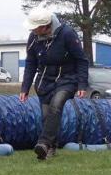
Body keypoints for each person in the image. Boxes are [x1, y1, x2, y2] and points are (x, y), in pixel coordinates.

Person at [20, 10, 89, 160]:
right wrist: (25, 87)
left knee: (56, 105)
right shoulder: (33, 37)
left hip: (67, 79)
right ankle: (50, 147)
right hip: (45, 81)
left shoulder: (67, 34)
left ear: (45, 26)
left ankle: (43, 143)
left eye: (35, 27)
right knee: (46, 115)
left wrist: (82, 84)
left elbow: (82, 60)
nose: (32, 30)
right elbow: (30, 63)